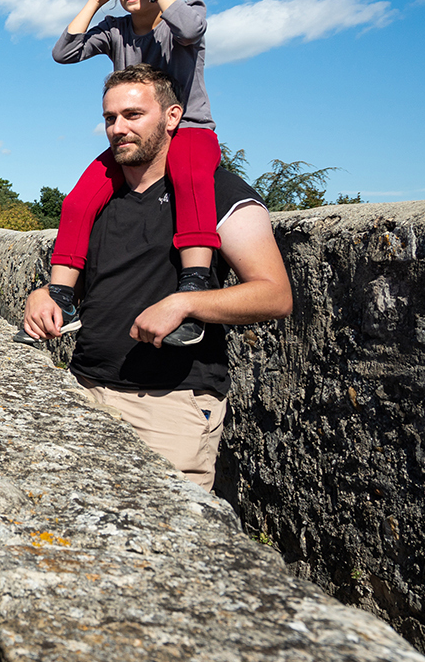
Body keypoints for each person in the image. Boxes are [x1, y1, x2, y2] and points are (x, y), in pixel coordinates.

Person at [19, 66, 291, 490]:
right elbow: (86, 285)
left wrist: (187, 302)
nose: (118, 129)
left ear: (172, 117)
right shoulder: (98, 200)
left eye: (133, 115)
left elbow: (275, 295)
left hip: (171, 406)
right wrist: (43, 294)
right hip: (86, 389)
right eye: (110, 118)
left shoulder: (218, 190)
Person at [44, 0, 217, 346]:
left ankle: (194, 287)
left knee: (190, 179)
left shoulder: (187, 16)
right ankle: (62, 296)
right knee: (78, 201)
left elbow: (190, 31)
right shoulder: (115, 30)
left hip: (188, 130)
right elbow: (63, 53)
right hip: (133, 141)